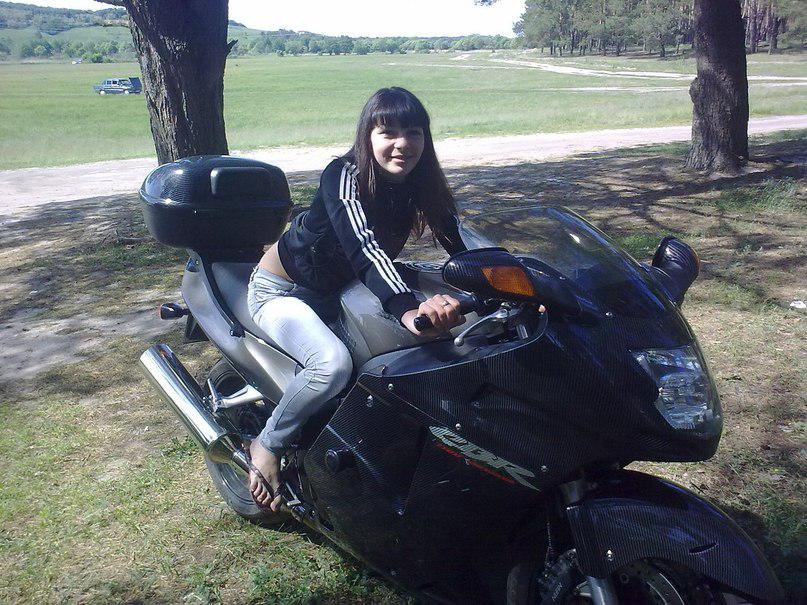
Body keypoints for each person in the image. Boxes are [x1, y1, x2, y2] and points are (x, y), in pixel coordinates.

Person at [246, 87, 467, 511]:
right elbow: (365, 248)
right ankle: (268, 443)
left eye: (414, 132)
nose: (402, 144)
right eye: (388, 132)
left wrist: (511, 278)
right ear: (367, 136)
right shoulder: (342, 175)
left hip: (343, 288)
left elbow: (456, 236)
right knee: (331, 365)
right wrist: (406, 309)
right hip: (282, 292)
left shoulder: (419, 181)